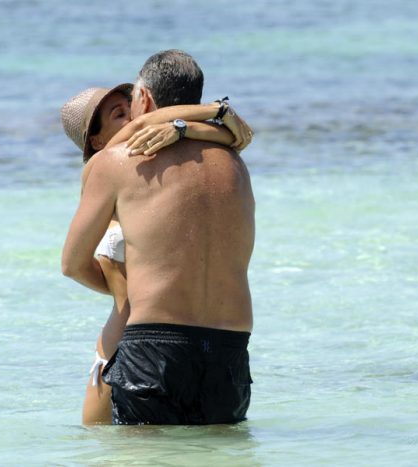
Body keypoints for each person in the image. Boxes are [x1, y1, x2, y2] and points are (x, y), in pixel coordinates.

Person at [62, 49, 255, 425]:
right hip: (229, 350)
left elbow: (71, 264)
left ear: (144, 98)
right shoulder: (234, 160)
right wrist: (215, 113)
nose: (130, 115)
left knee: (144, 453)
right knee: (220, 453)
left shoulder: (114, 164)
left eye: (130, 104)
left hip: (155, 346)